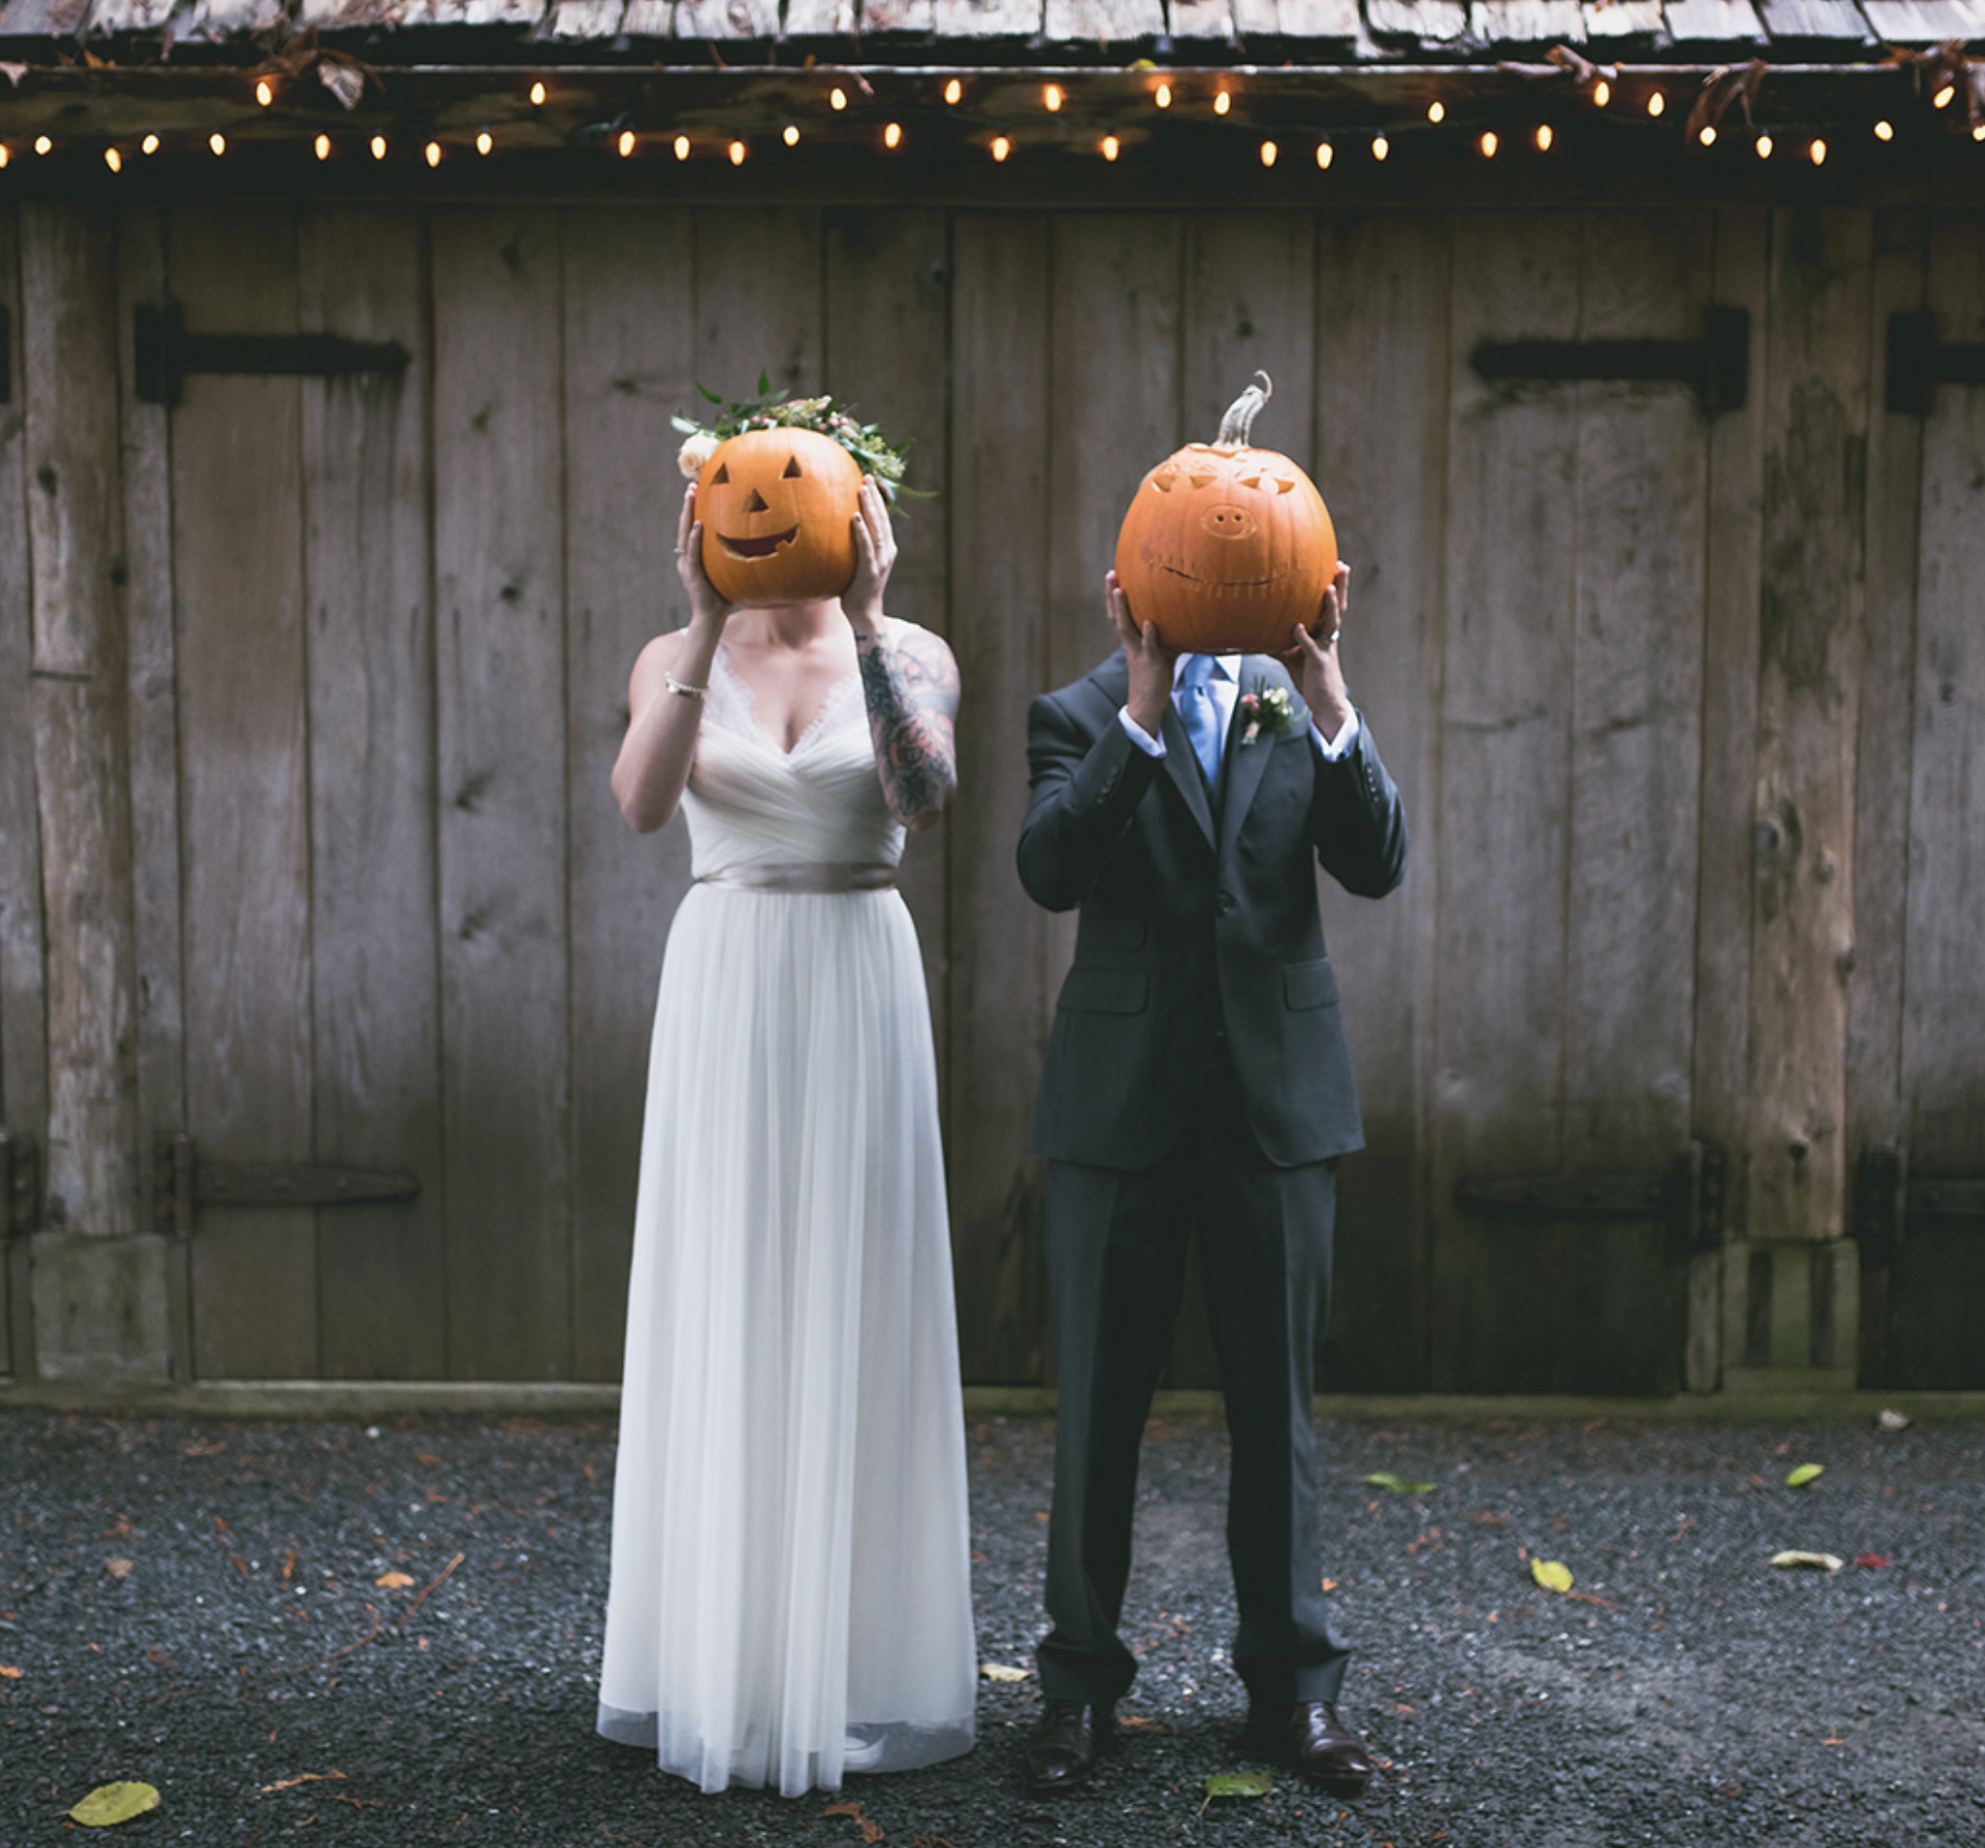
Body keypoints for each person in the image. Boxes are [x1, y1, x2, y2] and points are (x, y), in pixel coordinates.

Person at [596, 457, 977, 1797]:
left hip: (857, 973)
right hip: (729, 981)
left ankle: (852, 1665)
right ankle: (730, 1665)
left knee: (849, 1305)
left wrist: (870, 622)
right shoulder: (671, 651)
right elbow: (642, 803)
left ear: (861, 517)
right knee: (731, 1300)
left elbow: (924, 794)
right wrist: (699, 622)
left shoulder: (912, 650)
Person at [1013, 564, 1406, 1796]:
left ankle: (1294, 1694)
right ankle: (1077, 1689)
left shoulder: (1298, 705)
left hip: (1274, 1104)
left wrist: (1329, 690)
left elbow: (1377, 861)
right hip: (1118, 1103)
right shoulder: (1075, 712)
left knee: (1274, 1415)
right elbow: (1050, 867)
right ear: (1126, 586)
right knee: (1096, 1408)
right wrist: (1137, 708)